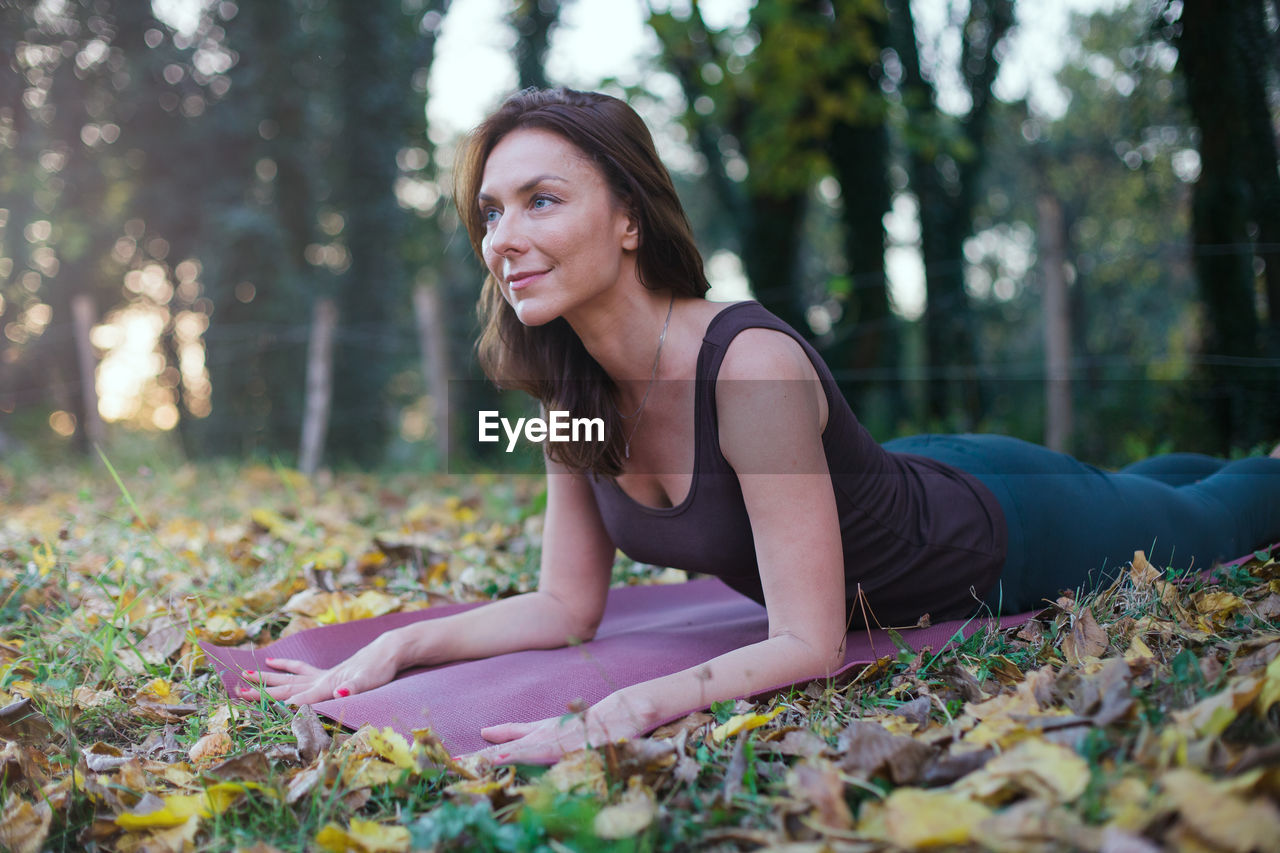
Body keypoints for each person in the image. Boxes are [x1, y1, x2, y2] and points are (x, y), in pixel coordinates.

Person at [240, 87, 1280, 764]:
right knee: (1172, 476)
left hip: (997, 530)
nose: (504, 238)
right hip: (885, 482)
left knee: (1226, 509)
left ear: (629, 218)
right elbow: (565, 605)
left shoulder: (751, 364)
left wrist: (636, 706)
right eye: (490, 213)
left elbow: (807, 638)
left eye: (540, 201)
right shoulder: (569, 390)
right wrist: (400, 648)